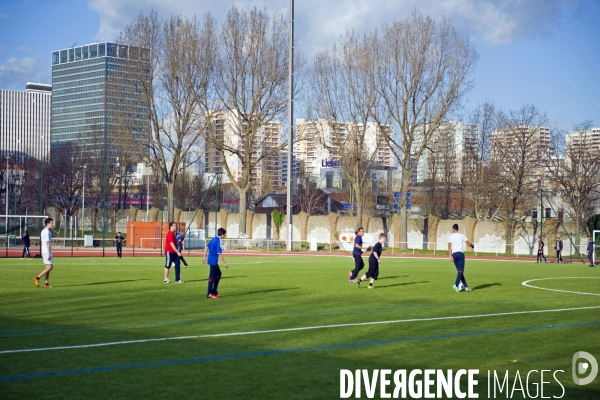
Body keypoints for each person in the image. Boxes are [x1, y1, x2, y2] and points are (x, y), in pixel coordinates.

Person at [202, 227, 229, 298]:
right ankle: (209, 293)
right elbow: (219, 254)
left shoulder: (213, 239)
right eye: (224, 235)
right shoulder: (218, 240)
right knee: (212, 277)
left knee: (219, 274)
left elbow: (206, 247)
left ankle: (214, 291)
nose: (224, 236)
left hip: (211, 260)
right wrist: (224, 263)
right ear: (222, 234)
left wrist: (204, 257)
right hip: (213, 261)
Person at [448, 223, 475, 292]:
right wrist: (472, 246)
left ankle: (466, 287)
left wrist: (450, 255)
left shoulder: (450, 236)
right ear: (458, 229)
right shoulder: (461, 235)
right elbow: (468, 243)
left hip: (454, 254)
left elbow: (449, 246)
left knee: (460, 272)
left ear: (453, 229)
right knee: (460, 271)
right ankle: (456, 285)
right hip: (460, 254)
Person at [33, 218, 54, 288]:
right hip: (47, 251)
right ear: (48, 223)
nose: (52, 224)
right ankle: (37, 278)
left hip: (45, 251)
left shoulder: (43, 231)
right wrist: (48, 253)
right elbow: (47, 242)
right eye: (51, 223)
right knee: (50, 267)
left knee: (48, 267)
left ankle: (46, 283)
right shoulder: (47, 232)